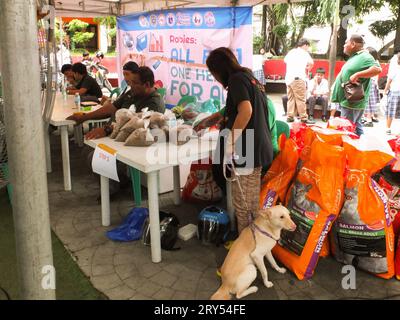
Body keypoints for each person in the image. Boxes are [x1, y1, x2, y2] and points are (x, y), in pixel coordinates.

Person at [205, 47, 273, 234]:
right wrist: (208, 121)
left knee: (243, 203)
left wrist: (230, 143)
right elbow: (234, 111)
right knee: (250, 201)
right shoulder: (248, 78)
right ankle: (253, 240)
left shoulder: (236, 80)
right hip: (257, 145)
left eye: (213, 73)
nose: (215, 78)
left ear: (219, 70)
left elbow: (246, 111)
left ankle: (245, 246)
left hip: (247, 148)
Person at [84, 66, 165, 140]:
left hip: (125, 142)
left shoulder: (155, 104)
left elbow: (134, 126)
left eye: (135, 83)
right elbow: (111, 108)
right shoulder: (133, 92)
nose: (131, 85)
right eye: (131, 82)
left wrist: (107, 129)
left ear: (147, 85)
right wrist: (85, 117)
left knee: (90, 154)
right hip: (112, 136)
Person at [330, 34, 382, 136]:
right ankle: (361, 148)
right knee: (356, 127)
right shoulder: (356, 56)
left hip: (352, 102)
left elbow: (377, 69)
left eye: (346, 43)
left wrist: (358, 74)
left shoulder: (365, 56)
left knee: (347, 129)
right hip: (349, 101)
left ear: (353, 44)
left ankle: (349, 149)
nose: (344, 45)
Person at [66, 61, 139, 125]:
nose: (125, 78)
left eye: (127, 74)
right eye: (124, 74)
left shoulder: (87, 79)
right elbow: (114, 107)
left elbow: (81, 92)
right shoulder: (128, 89)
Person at [284, 38, 314, 124]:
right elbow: (311, 63)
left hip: (289, 79)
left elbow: (285, 61)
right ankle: (304, 118)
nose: (308, 48)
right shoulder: (304, 53)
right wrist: (308, 68)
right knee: (301, 99)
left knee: (291, 98)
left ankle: (290, 116)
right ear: (305, 45)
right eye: (308, 47)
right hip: (298, 78)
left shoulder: (291, 51)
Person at [363, 47, 380, 127]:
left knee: (368, 102)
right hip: (373, 83)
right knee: (371, 102)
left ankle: (369, 120)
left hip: (370, 82)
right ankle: (371, 117)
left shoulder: (371, 62)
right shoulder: (376, 62)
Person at [383, 51, 400, 135]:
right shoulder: (395, 69)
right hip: (395, 91)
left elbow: (389, 81)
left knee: (391, 111)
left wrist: (385, 91)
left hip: (394, 92)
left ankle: (388, 128)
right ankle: (388, 128)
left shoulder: (395, 69)